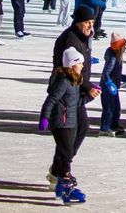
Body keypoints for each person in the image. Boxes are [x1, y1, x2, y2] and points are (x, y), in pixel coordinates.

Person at [48, 5, 101, 187]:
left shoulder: (81, 37)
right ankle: (63, 171)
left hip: (76, 89)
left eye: (92, 22)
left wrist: (88, 87)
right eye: (86, 22)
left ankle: (59, 169)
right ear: (78, 22)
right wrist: (88, 87)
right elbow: (71, 70)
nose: (90, 26)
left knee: (79, 129)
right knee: (72, 132)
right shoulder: (70, 40)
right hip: (66, 91)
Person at [39, 47, 89, 204]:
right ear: (72, 65)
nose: (82, 66)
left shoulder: (74, 82)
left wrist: (90, 96)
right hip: (61, 123)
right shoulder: (63, 82)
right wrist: (44, 118)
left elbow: (77, 103)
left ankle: (61, 187)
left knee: (63, 155)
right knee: (66, 154)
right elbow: (51, 100)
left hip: (71, 122)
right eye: (80, 63)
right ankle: (67, 188)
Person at [99, 32, 126, 136]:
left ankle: (114, 124)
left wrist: (125, 79)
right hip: (108, 88)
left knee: (116, 107)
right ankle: (105, 127)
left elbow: (116, 72)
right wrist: (109, 84)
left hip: (113, 87)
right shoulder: (112, 58)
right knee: (109, 108)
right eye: (124, 46)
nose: (125, 48)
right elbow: (106, 73)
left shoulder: (116, 57)